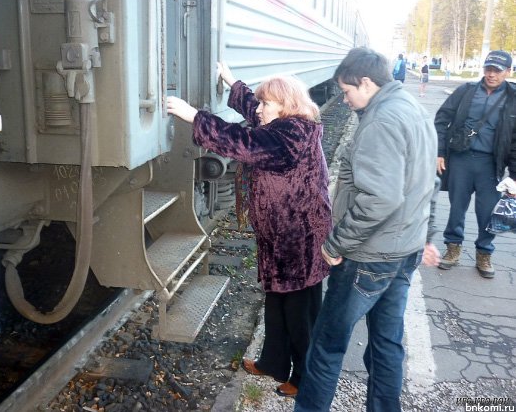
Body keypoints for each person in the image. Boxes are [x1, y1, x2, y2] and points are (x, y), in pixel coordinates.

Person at [167, 63, 332, 398]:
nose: (258, 109)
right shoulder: (283, 124)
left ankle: (306, 379)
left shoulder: (291, 137)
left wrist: (194, 116)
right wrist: (232, 82)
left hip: (299, 241)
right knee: (277, 302)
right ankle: (273, 362)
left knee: (301, 315)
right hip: (281, 237)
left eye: (265, 103)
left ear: (285, 106)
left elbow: (240, 142)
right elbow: (253, 112)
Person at [294, 47, 437, 412]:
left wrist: (336, 244)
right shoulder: (414, 110)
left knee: (327, 346)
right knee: (387, 343)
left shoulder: (380, 122)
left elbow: (381, 199)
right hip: (404, 251)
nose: (345, 99)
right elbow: (427, 183)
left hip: (369, 256)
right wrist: (427, 235)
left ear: (367, 82)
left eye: (347, 90)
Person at [435, 50, 516, 278]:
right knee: (456, 208)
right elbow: (441, 119)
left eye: (497, 71)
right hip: (460, 159)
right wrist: (439, 152)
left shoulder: (512, 98)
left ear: (508, 71)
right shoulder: (466, 91)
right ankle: (453, 248)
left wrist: (514, 176)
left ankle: (484, 253)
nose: (491, 74)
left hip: (490, 165)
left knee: (488, 212)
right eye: (488, 69)